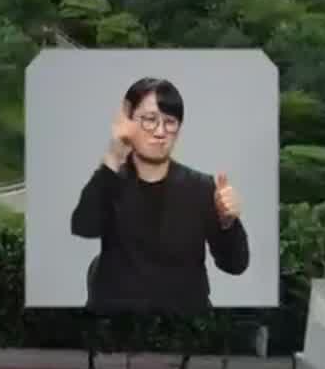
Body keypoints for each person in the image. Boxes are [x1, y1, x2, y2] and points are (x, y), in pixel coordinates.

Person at [70, 76, 248, 313]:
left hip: (184, 325)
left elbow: (235, 265)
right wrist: (113, 157)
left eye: (170, 122)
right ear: (129, 121)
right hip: (116, 322)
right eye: (150, 120)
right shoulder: (111, 180)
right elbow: (83, 226)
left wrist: (228, 223)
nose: (160, 132)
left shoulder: (201, 187)